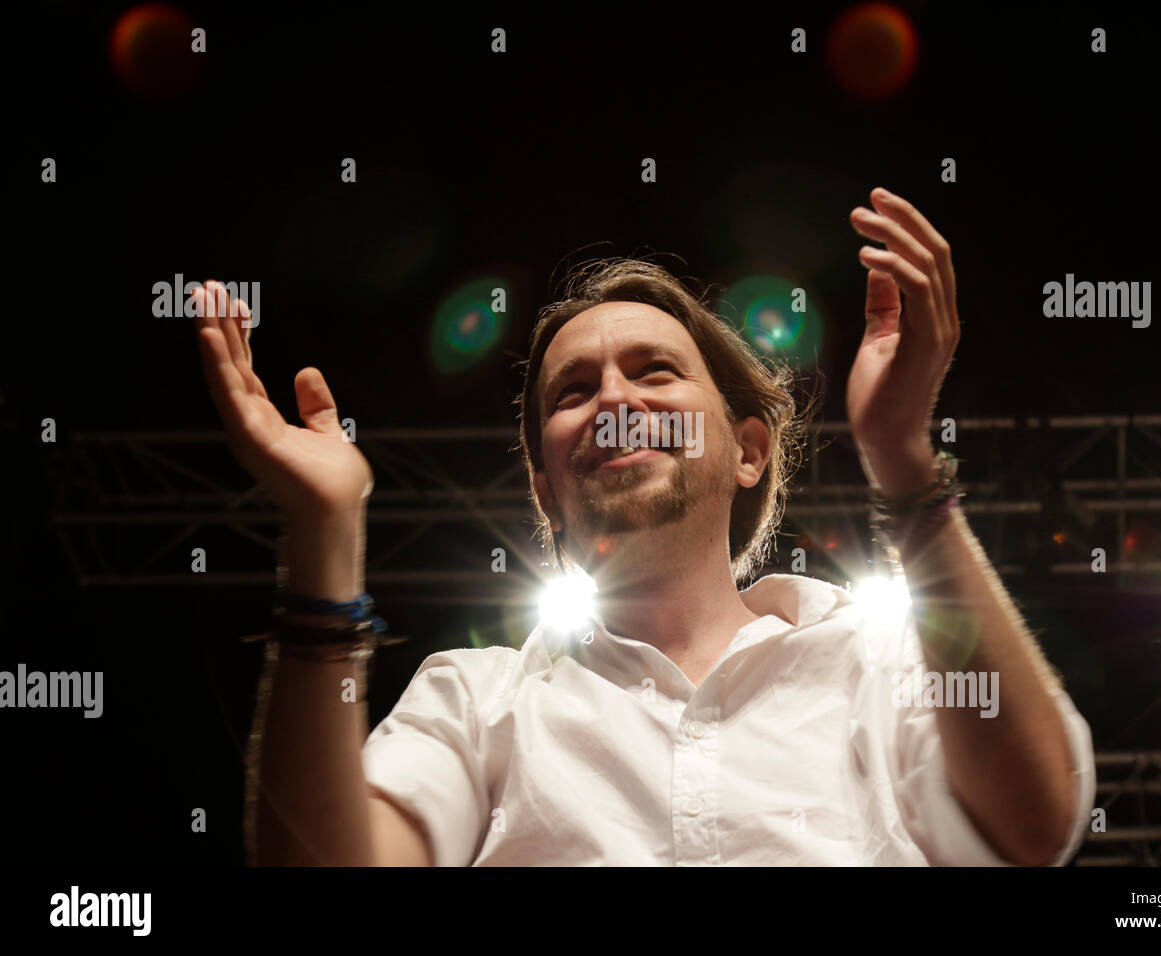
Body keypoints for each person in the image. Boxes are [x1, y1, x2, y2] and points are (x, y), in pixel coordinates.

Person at [193, 187, 1095, 866]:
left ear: (747, 450)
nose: (615, 400)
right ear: (546, 490)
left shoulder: (880, 659)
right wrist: (323, 535)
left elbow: (1036, 820)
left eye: (655, 372)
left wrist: (901, 459)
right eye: (574, 391)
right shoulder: (475, 701)